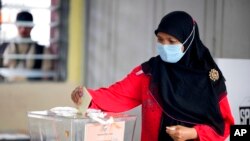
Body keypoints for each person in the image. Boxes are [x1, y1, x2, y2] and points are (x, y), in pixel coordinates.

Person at [71, 11, 234, 141]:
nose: (164, 46)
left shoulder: (210, 78)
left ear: (188, 42)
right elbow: (115, 95)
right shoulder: (149, 73)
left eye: (171, 41)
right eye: (160, 40)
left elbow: (225, 126)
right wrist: (86, 97)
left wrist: (193, 133)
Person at [0, 11, 52, 81]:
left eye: (26, 26)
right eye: (20, 26)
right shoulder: (3, 47)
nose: (23, 29)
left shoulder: (42, 50)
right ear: (16, 25)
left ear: (32, 26)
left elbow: (46, 77)